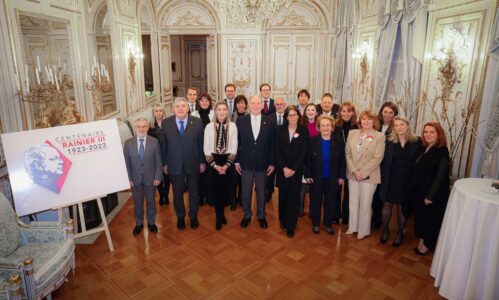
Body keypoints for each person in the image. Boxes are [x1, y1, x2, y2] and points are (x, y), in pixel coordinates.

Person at [160, 97, 205, 230]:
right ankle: (180, 216)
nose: (180, 108)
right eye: (177, 106)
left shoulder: (197, 122)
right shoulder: (166, 123)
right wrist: (164, 163)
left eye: (183, 106)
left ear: (188, 108)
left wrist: (202, 162)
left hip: (194, 163)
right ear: (173, 109)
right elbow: (164, 145)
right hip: (174, 164)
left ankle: (193, 216)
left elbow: (201, 144)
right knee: (177, 193)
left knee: (194, 192)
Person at [379, 116, 422, 247]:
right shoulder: (389, 141)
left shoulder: (417, 142)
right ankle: (385, 230)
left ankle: (400, 233)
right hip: (390, 178)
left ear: (407, 125)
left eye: (401, 124)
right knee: (387, 205)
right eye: (396, 125)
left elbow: (420, 162)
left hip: (407, 180)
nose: (399, 127)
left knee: (402, 207)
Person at [235, 95, 275, 229]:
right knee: (245, 192)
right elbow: (237, 143)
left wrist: (272, 162)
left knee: (262, 191)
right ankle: (246, 215)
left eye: (258, 103)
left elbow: (272, 144)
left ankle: (261, 215)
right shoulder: (240, 121)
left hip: (263, 164)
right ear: (249, 105)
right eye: (253, 103)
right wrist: (236, 161)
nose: (256, 105)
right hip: (245, 163)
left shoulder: (270, 121)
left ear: (261, 105)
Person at [410, 122, 450, 255]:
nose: (428, 134)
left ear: (439, 134)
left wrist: (430, 196)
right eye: (426, 132)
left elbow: (440, 177)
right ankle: (423, 240)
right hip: (421, 190)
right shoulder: (425, 147)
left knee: (431, 220)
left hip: (434, 194)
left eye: (432, 132)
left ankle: (427, 244)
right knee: (423, 218)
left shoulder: (442, 151)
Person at [345, 110, 385, 239]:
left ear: (374, 121)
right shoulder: (352, 133)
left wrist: (362, 172)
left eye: (369, 119)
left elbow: (378, 158)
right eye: (363, 119)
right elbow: (347, 153)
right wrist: (354, 171)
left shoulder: (379, 136)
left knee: (365, 204)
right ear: (359, 121)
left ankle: (363, 230)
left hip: (369, 176)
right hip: (353, 174)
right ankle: (352, 227)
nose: (366, 122)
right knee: (353, 202)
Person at [305, 115, 345, 235]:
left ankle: (328, 224)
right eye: (323, 125)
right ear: (318, 127)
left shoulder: (338, 141)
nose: (325, 128)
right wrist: (308, 174)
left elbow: (343, 160)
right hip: (316, 176)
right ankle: (316, 223)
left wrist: (341, 176)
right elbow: (308, 160)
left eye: (328, 125)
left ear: (332, 127)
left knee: (330, 201)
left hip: (332, 177)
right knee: (315, 200)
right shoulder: (313, 141)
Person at [123, 118, 163, 236]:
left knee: (151, 202)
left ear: (147, 127)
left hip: (151, 179)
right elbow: (126, 163)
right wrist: (128, 179)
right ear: (135, 128)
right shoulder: (128, 143)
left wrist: (157, 177)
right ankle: (139, 223)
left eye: (144, 126)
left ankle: (151, 223)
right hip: (135, 180)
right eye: (139, 127)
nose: (141, 129)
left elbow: (159, 162)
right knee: (138, 204)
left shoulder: (154, 141)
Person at [204, 102, 238, 230]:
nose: (222, 112)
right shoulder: (208, 126)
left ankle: (222, 215)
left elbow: (234, 146)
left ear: (227, 111)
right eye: (219, 109)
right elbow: (206, 148)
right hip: (214, 161)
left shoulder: (233, 126)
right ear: (215, 111)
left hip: (227, 160)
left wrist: (227, 165)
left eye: (224, 109)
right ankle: (219, 218)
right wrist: (215, 166)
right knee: (216, 191)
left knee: (225, 190)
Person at [275, 106, 309, 238]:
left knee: (293, 199)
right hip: (282, 170)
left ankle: (291, 225)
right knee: (282, 197)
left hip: (296, 171)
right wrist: (284, 168)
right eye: (290, 115)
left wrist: (293, 169)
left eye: (295, 115)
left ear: (299, 116)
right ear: (286, 117)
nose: (293, 117)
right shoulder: (279, 130)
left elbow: (303, 153)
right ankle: (283, 221)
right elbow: (277, 151)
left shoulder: (304, 131)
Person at [372, 101, 399, 230]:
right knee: (373, 193)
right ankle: (375, 215)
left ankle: (379, 219)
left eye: (391, 113)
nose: (387, 115)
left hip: (386, 167)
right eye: (385, 112)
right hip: (373, 165)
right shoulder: (376, 125)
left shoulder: (396, 129)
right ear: (381, 112)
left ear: (395, 115)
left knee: (381, 194)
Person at [332, 102, 359, 225]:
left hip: (353, 163)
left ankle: (346, 216)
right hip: (337, 162)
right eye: (343, 111)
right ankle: (335, 214)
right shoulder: (335, 126)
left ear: (353, 113)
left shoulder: (358, 127)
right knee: (336, 189)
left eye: (349, 111)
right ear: (340, 112)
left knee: (350, 191)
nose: (346, 113)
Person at [191, 93, 215, 206]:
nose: (204, 103)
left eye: (206, 101)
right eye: (202, 101)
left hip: (211, 149)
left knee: (209, 174)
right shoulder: (193, 114)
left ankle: (210, 197)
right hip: (197, 149)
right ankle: (200, 197)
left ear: (210, 102)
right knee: (198, 175)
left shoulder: (214, 114)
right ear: (198, 102)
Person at [298, 103, 319, 217]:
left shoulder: (320, 125)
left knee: (313, 186)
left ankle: (312, 209)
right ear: (305, 112)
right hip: (304, 159)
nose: (310, 112)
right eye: (308, 110)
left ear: (316, 112)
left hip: (316, 160)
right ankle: (300, 207)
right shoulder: (301, 125)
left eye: (313, 110)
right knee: (302, 184)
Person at [147, 104, 170, 205]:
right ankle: (161, 194)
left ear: (163, 112)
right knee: (158, 175)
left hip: (167, 153)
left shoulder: (169, 124)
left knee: (167, 175)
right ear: (153, 113)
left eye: (160, 110)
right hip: (155, 155)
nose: (158, 113)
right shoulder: (150, 125)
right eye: (156, 111)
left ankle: (166, 194)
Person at [230, 95, 249, 210]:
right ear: (235, 104)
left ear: (246, 104)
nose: (240, 105)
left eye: (243, 103)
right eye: (238, 103)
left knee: (243, 177)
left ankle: (242, 198)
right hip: (233, 150)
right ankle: (233, 200)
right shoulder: (231, 116)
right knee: (233, 178)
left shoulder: (250, 116)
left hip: (245, 151)